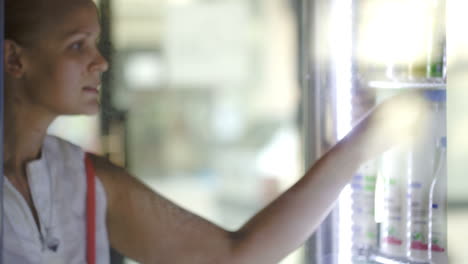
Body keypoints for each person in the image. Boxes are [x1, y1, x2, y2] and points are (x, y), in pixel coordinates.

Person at [3, 0, 430, 263]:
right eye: (77, 45)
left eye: (97, 44)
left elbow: (230, 257)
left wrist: (360, 144)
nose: (101, 63)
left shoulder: (81, 177)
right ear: (14, 59)